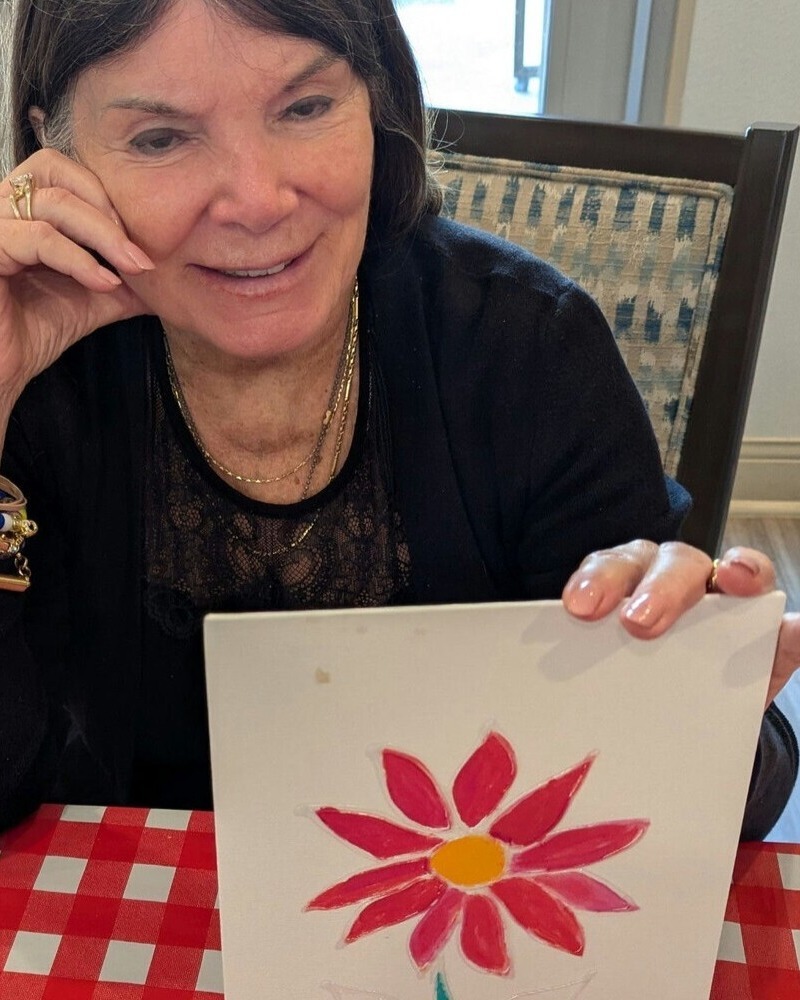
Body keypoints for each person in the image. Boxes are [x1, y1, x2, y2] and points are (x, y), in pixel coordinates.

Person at [0, 0, 797, 840]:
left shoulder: (528, 349)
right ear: (57, 153)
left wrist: (704, 696)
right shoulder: (37, 362)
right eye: (161, 138)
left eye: (305, 108)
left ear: (378, 105)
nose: (258, 200)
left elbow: (712, 801)